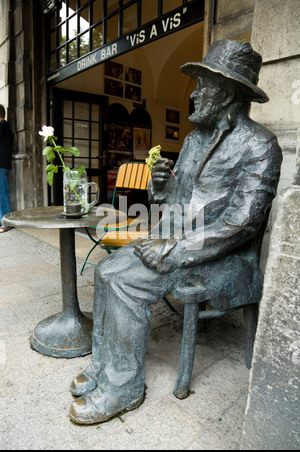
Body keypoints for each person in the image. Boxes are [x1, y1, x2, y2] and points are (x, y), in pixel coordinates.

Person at [69, 40, 282, 424]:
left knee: (125, 281)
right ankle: (104, 362)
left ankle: (124, 386)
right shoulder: (194, 139)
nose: (196, 94)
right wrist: (163, 185)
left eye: (204, 85)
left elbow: (241, 223)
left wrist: (175, 248)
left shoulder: (260, 145)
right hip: (176, 240)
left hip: (220, 256)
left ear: (229, 92)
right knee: (105, 270)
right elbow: (175, 201)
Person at [0, 104, 13, 233]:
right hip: (2, 165)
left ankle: (6, 222)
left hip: (1, 165)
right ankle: (3, 221)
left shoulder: (3, 126)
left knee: (2, 194)